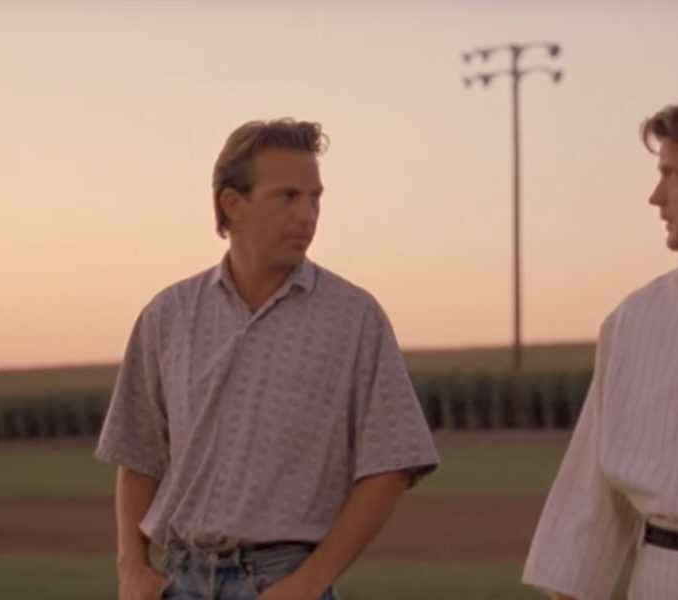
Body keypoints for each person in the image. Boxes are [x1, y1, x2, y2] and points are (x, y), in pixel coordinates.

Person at [95, 118, 439, 600]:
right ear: (233, 204)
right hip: (180, 579)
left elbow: (393, 462)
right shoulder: (169, 315)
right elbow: (138, 450)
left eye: (315, 198)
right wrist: (131, 566)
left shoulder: (353, 318)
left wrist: (310, 582)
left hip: (283, 580)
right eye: (288, 197)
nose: (307, 215)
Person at [522, 90, 678, 599]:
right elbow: (592, 491)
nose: (656, 196)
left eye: (673, 174)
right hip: (666, 579)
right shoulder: (636, 321)